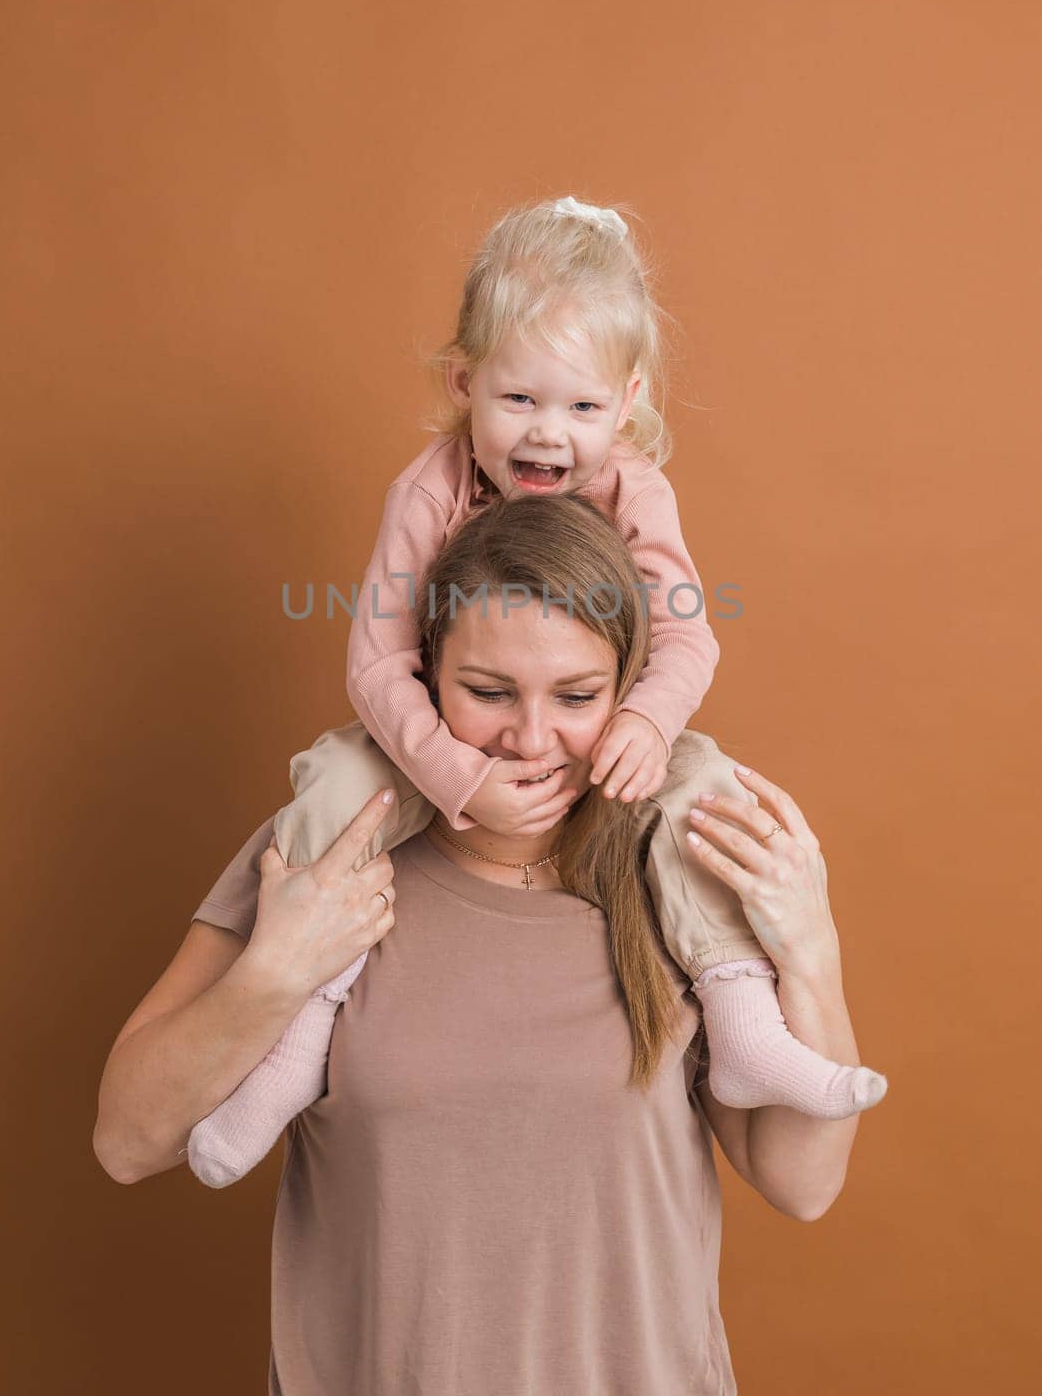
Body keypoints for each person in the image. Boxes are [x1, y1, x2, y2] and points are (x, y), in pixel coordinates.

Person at [94, 492, 882, 1396]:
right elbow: (129, 1141)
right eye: (488, 692)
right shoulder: (328, 850)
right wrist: (277, 971)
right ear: (423, 678)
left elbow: (802, 1182)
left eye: (578, 697)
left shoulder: (680, 871)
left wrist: (810, 951)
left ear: (632, 690)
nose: (532, 739)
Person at [186, 192, 885, 1188]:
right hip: (431, 734)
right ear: (462, 382)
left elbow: (684, 633)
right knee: (337, 790)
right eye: (516, 401)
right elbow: (378, 664)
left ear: (629, 399)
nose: (546, 436)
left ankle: (739, 1016)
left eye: (582, 408)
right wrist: (452, 770)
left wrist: (642, 720)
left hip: (604, 742)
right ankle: (299, 1041)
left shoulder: (634, 491)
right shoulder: (426, 492)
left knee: (702, 788)